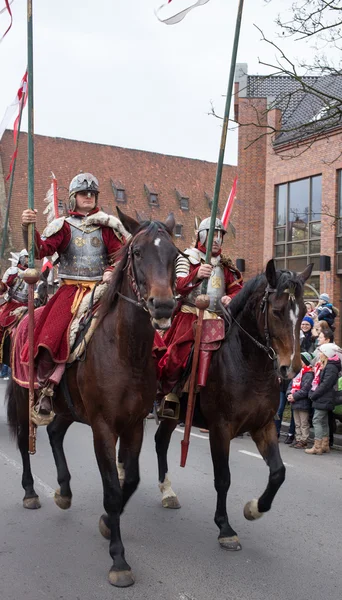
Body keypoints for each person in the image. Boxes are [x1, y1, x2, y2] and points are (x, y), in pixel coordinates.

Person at [21, 173, 127, 423]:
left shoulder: (107, 227)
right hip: (70, 290)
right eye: (83, 193)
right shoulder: (64, 226)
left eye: (92, 193)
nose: (88, 197)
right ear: (73, 198)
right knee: (53, 334)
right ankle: (48, 388)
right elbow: (40, 250)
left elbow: (119, 256)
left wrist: (112, 272)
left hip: (102, 291)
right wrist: (28, 227)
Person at [157, 217, 243, 403]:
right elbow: (178, 286)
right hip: (191, 315)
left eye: (221, 235)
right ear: (202, 236)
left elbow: (237, 290)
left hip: (219, 318)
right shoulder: (188, 258)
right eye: (214, 234)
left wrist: (231, 298)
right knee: (177, 357)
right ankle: (170, 395)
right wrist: (196, 275)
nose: (217, 239)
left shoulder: (225, 265)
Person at [305, 343, 341, 455]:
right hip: (325, 398)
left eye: (321, 352)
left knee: (317, 420)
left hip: (324, 397)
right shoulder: (328, 365)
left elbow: (325, 385)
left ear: (326, 354)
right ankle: (325, 445)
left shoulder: (330, 367)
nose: (319, 354)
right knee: (324, 421)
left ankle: (317, 446)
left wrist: (314, 395)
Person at [0, 249, 29, 367]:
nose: (28, 260)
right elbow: (4, 287)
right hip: (12, 303)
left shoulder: (33, 273)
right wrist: (15, 276)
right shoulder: (13, 270)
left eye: (29, 258)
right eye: (26, 257)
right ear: (21, 258)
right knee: (1, 324)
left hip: (27, 305)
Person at [286, 352, 314, 449]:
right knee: (297, 423)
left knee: (303, 423)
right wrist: (289, 394)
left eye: (300, 360)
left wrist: (294, 396)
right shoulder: (298, 373)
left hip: (303, 402)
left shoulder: (309, 374)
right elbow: (290, 384)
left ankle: (304, 440)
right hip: (295, 402)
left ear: (304, 361)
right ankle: (298, 439)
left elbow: (305, 389)